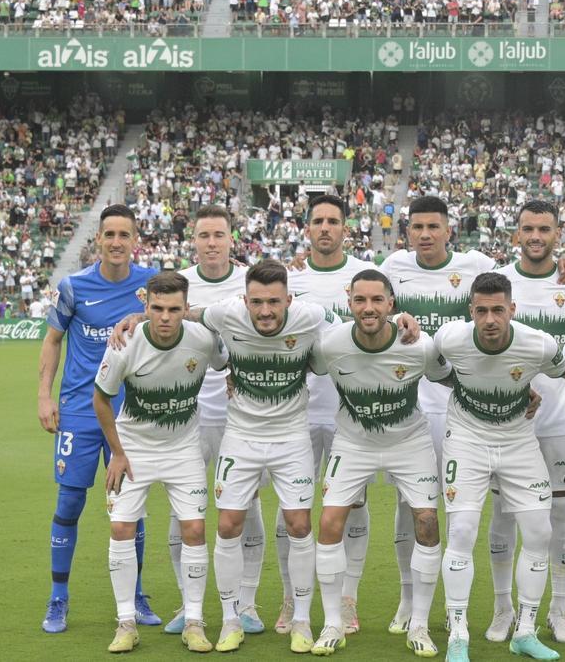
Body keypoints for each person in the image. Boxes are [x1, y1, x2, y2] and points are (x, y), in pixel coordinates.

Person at [180, 260, 420, 653]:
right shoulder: (226, 313)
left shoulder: (311, 316)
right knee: (227, 525)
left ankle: (302, 620)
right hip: (240, 436)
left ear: (289, 299)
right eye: (257, 302)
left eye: (274, 302)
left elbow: (360, 323)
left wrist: (402, 317)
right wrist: (136, 317)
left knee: (299, 524)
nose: (266, 311)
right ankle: (230, 619)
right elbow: (189, 313)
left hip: (292, 436)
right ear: (244, 299)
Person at [379, 195, 565, 633]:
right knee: (412, 505)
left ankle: (539, 609)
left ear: (451, 229)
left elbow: (533, 263)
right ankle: (409, 600)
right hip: (428, 406)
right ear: (407, 231)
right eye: (418, 227)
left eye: (436, 226)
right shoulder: (391, 267)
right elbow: (366, 303)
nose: (427, 234)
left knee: (527, 514)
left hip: (514, 415)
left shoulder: (481, 267)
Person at [308, 269, 450, 657]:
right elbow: (293, 361)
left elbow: (453, 377)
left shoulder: (419, 345)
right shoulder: (330, 345)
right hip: (353, 442)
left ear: (391, 304)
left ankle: (419, 624)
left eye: (376, 300)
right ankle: (333, 623)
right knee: (329, 521)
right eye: (360, 300)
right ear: (349, 302)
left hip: (410, 440)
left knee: (427, 521)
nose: (368, 308)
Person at [434, 272, 565, 662]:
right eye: (482, 311)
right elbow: (432, 369)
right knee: (461, 529)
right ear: (470, 311)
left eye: (498, 310)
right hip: (466, 441)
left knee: (540, 531)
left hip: (517, 441)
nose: (490, 319)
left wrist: (526, 389)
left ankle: (524, 631)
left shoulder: (539, 344)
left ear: (513, 309)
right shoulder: (450, 339)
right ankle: (457, 633)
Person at [36, 205, 159, 634]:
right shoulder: (73, 287)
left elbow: (184, 313)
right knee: (70, 502)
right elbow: (53, 341)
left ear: (135, 239)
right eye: (110, 234)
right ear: (99, 239)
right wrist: (44, 396)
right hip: (79, 413)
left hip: (131, 415)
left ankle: (138, 594)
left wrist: (143, 315)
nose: (117, 242)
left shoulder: (151, 284)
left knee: (131, 508)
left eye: (125, 234)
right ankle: (58, 598)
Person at [92, 272, 227, 653]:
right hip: (133, 449)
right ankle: (125, 623)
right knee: (120, 529)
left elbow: (227, 361)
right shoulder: (125, 342)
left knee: (195, 531)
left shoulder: (202, 339)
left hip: (183, 448)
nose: (165, 317)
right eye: (157, 309)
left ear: (187, 309)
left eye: (174, 309)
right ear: (145, 308)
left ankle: (195, 622)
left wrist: (233, 379)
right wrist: (117, 453)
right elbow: (100, 399)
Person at [488, 200, 565, 644]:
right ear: (516, 233)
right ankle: (502, 609)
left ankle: (560, 608)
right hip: (506, 421)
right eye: (528, 228)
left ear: (558, 234)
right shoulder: (498, 282)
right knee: (503, 513)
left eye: (545, 229)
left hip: (559, 421)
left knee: (561, 512)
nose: (536, 236)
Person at [165, 205, 266, 636]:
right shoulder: (177, 283)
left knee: (246, 508)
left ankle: (247, 601)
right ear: (195, 239)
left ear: (231, 238)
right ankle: (187, 604)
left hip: (239, 414)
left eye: (218, 235)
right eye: (204, 235)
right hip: (187, 411)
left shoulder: (250, 281)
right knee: (181, 508)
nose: (211, 243)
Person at [286, 195, 379, 635]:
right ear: (307, 228)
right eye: (318, 221)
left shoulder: (365, 275)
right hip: (298, 413)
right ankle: (292, 597)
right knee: (294, 510)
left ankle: (349, 598)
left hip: (351, 414)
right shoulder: (288, 281)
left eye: (333, 221)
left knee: (353, 506)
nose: (325, 228)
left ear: (346, 228)